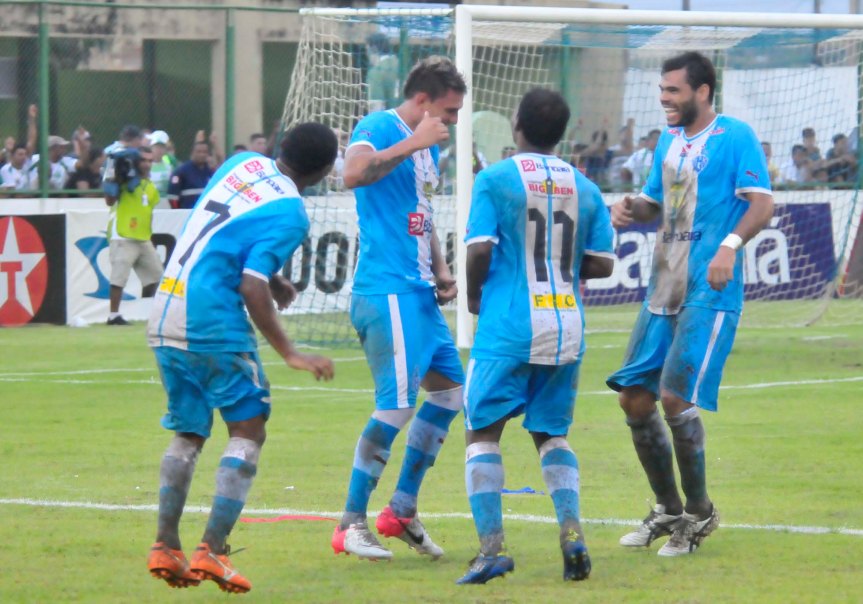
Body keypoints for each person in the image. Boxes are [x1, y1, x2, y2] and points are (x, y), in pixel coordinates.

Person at [145, 123, 338, 593]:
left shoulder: (240, 164)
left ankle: (166, 544)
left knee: (189, 431)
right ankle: (212, 550)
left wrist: (274, 279)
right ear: (326, 170)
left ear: (279, 147)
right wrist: (289, 352)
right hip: (211, 318)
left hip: (166, 307)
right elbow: (249, 284)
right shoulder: (292, 212)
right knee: (248, 427)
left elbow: (223, 231)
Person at [606, 51, 774, 557]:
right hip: (665, 284)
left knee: (676, 398)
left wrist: (730, 245)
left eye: (673, 90)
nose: (664, 99)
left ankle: (699, 514)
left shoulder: (735, 136)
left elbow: (762, 203)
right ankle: (668, 508)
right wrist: (632, 207)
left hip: (709, 287)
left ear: (702, 91)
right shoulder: (668, 142)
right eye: (661, 91)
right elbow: (656, 202)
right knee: (634, 397)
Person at [457, 88, 614, 585]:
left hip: (509, 323)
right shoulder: (585, 187)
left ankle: (492, 549)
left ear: (516, 125)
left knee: (482, 431)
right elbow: (604, 264)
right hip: (565, 323)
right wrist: (559, 263)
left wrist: (473, 298)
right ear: (561, 132)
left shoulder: (496, 179)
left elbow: (479, 250)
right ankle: (572, 534)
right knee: (551, 433)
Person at [331, 56, 467, 561]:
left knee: (451, 395)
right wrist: (414, 142)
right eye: (449, 110)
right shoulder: (379, 126)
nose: (452, 121)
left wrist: (442, 268)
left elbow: (421, 214)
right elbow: (353, 173)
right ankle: (349, 523)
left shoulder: (426, 151)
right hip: (385, 290)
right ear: (423, 101)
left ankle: (401, 511)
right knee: (397, 404)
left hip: (418, 291)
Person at [103, 146, 163, 325]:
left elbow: (149, 213)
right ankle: (113, 315)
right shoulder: (124, 182)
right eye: (143, 160)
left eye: (150, 160)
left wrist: (149, 234)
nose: (147, 164)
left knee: (159, 277)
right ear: (136, 162)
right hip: (123, 235)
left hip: (143, 237)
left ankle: (160, 314)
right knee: (119, 277)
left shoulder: (151, 187)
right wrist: (114, 176)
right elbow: (109, 200)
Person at [168, 139, 215, 209]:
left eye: (205, 152)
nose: (202, 154)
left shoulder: (211, 172)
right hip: (186, 213)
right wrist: (179, 212)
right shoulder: (181, 172)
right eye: (199, 152)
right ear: (192, 153)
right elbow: (172, 198)